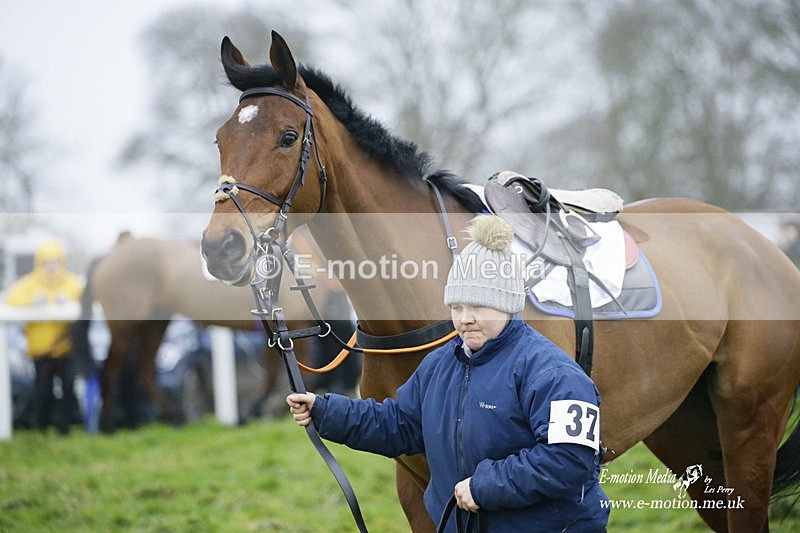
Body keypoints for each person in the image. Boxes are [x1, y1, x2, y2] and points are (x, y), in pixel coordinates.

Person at [287, 215, 609, 531]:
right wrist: (326, 410)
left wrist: (485, 487)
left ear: (508, 304)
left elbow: (569, 459)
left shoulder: (554, 374)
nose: (465, 318)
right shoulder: (439, 364)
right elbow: (400, 424)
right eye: (457, 307)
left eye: (478, 306)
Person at [5, 240, 83, 435]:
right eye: (47, 262)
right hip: (41, 350)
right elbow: (11, 300)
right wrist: (33, 302)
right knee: (43, 391)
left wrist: (69, 305)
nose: (52, 267)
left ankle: (65, 430)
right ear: (40, 263)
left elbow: (85, 302)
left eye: (55, 262)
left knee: (68, 390)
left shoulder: (72, 284)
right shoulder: (28, 285)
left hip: (66, 349)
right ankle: (40, 428)